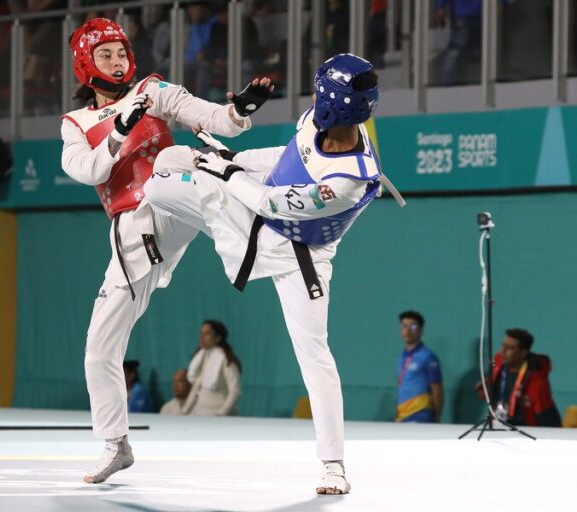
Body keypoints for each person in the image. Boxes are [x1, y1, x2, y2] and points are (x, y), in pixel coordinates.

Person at [145, 53, 403, 494]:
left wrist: (225, 171)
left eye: (323, 92)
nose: (316, 98)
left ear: (336, 102)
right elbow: (286, 157)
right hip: (254, 213)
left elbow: (273, 202)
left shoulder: (349, 179)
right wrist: (236, 159)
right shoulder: (315, 122)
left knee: (314, 356)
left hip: (300, 256)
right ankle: (162, 264)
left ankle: (334, 465)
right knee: (162, 172)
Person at [59, 17, 272, 484]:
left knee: (176, 159)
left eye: (121, 53)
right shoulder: (75, 124)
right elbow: (88, 170)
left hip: (175, 202)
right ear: (84, 64)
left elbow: (210, 116)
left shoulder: (153, 90)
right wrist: (120, 129)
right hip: (134, 234)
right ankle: (116, 444)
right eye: (105, 55)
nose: (117, 62)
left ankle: (266, 213)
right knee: (99, 351)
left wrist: (239, 112)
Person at [480, 328, 561, 427]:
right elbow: (491, 393)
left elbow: (548, 418)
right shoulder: (498, 364)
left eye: (510, 348)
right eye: (503, 345)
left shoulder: (536, 381)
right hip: (498, 425)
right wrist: (485, 390)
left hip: (525, 430)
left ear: (523, 353)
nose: (503, 351)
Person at [182, 320, 242, 416]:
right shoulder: (200, 358)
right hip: (200, 413)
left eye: (207, 334)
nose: (202, 337)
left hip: (219, 416)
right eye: (201, 333)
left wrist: (222, 413)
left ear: (218, 338)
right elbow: (195, 389)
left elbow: (235, 390)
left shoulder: (226, 360)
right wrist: (184, 412)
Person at [395, 311, 443, 423]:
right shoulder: (401, 357)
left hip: (420, 415)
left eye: (413, 326)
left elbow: (437, 389)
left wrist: (437, 418)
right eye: (404, 326)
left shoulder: (427, 356)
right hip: (402, 416)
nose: (407, 330)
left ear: (421, 330)